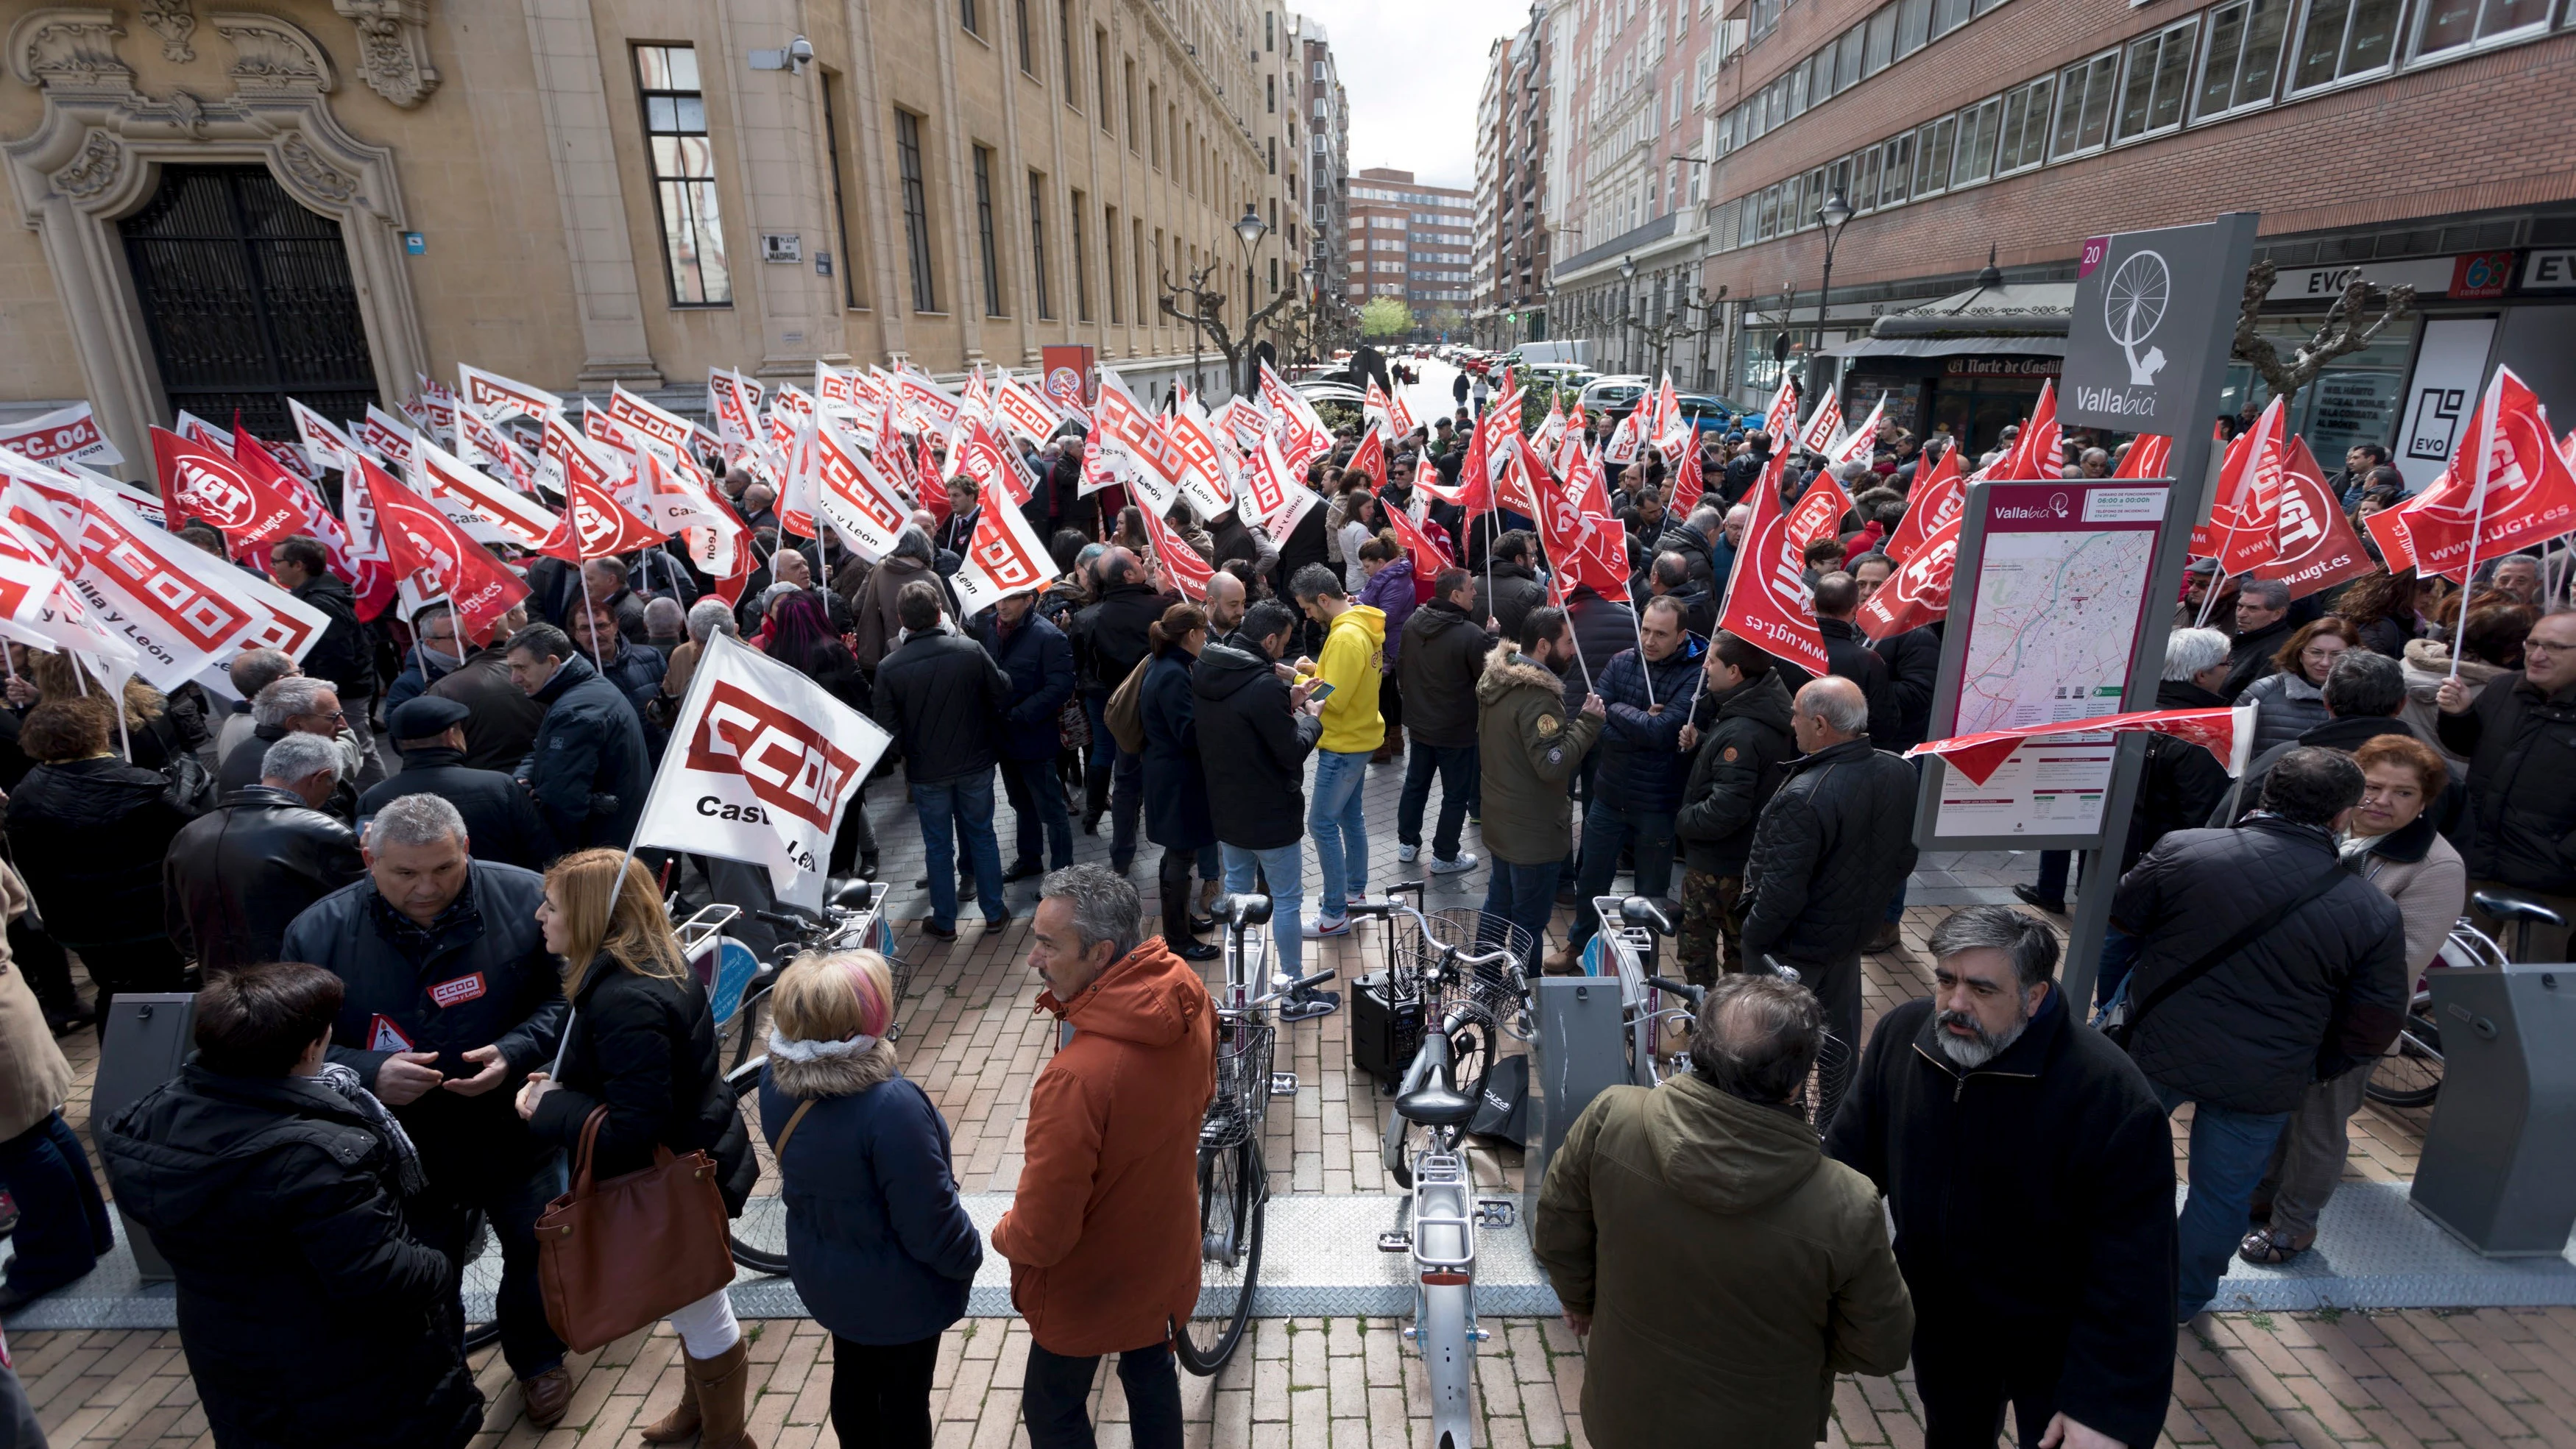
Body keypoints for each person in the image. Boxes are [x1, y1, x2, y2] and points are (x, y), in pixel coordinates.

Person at [1827, 907, 2177, 1449]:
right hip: (1946, 1328)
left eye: (1982, 989)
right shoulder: (1906, 1037)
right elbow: (1848, 1170)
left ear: (2035, 996)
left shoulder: (2109, 1096)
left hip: (2056, 1342)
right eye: (1947, 980)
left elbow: (2136, 1271)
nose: (1955, 1004)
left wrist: (2105, 1408)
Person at [99, 963, 484, 1449]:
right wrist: (439, 1261)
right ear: (309, 1049)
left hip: (232, 1356)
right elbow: (383, 1275)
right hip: (343, 1373)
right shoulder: (314, 1158)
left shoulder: (156, 1115)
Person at [277, 793, 573, 1425]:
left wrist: (516, 1050)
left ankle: (540, 1359)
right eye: (405, 873)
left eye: (442, 868)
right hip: (401, 1147)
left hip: (514, 1127)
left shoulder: (529, 901)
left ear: (465, 849)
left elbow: (568, 998)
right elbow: (292, 1042)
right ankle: (446, 1371)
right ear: (369, 858)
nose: (426, 887)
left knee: (538, 1248)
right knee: (425, 1269)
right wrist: (369, 1071)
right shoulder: (317, 930)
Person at [1533, 974, 1914, 1449]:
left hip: (1624, 1416)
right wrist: (1802, 1353)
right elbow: (1882, 1346)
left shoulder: (1614, 1117)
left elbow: (1556, 1229)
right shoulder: (1847, 1201)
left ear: (1699, 1051)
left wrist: (1581, 1300)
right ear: (1797, 1083)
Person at [2110, 747, 2405, 1322]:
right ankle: (2182, 1298)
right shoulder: (2369, 908)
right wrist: (2316, 1065)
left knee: (2114, 1165)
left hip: (2160, 1042)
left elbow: (2122, 917)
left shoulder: (2185, 850)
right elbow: (2374, 1018)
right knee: (2221, 1197)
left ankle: (2102, 1270)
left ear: (2265, 794)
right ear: (2342, 815)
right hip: (2267, 1072)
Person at [517, 850, 759, 1449]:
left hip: (674, 1178)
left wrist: (547, 1108)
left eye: (552, 905)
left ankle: (728, 1440)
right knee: (691, 1306)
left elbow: (633, 1124)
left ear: (590, 914)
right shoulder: (636, 965)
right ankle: (699, 1413)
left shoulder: (624, 996)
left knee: (701, 1310)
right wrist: (560, 1078)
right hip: (691, 1158)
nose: (539, 914)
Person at [994, 865, 1213, 1449]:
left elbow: (1043, 1234)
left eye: (1048, 943)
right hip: (1164, 1251)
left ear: (1102, 953)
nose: (1034, 958)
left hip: (1089, 1285)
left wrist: (1002, 1232)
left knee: (1053, 1408)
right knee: (1149, 1373)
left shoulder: (1077, 1080)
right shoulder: (1188, 995)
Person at [2241, 735, 2464, 1266]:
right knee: (2278, 1112)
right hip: (2287, 1008)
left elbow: (2400, 962)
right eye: (2374, 785)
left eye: (2402, 792)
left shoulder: (2435, 867)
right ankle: (2265, 1194)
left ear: (2424, 802)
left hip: (2349, 1021)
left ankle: (2294, 1227)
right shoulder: (2327, 829)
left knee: (2319, 1126)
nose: (2382, 800)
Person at [757, 949, 980, 1448]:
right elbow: (931, 1223)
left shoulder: (773, 1083)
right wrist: (970, 1254)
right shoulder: (890, 1108)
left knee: (853, 1378)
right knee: (904, 1402)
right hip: (900, 1294)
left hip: (829, 1274)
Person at [1737, 676, 1919, 1059]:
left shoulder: (1806, 795)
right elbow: (1903, 859)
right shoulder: (1899, 771)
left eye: (1796, 715)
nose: (1791, 723)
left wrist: (1752, 937)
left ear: (1820, 725)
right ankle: (1836, 1115)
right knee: (1841, 1047)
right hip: (1850, 939)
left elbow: (1781, 891)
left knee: (1777, 1052)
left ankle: (1784, 1114)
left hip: (1793, 949)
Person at [5, 698, 197, 1035]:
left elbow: (31, 866)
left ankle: (120, 1070)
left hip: (81, 927)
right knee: (164, 992)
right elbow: (195, 833)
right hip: (148, 921)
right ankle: (163, 1068)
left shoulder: (26, 793)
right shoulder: (139, 784)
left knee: (114, 991)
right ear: (97, 732)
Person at [1194, 599, 1331, 1017]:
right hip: (1271, 812)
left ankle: (1243, 991)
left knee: (1238, 900)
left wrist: (1283, 702)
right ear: (1270, 639)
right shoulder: (1263, 684)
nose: (1282, 653)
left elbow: (1245, 722)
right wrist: (1311, 717)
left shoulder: (1207, 666)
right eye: (1283, 644)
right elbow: (1289, 752)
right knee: (1287, 900)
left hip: (1227, 809)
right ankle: (1293, 992)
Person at [1554, 595, 1707, 971]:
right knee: (1591, 879)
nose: (1650, 641)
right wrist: (1635, 716)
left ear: (1681, 635)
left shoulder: (1695, 673)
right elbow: (1597, 723)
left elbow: (1663, 733)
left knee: (1650, 892)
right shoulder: (1622, 661)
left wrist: (1626, 718)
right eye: (1646, 630)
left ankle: (1641, 966)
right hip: (1609, 794)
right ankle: (1579, 946)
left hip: (1657, 801)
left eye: (1660, 634)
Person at [0, 858, 112, 1314]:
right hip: (9, 998)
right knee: (34, 1123)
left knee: (16, 1138)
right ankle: (88, 1232)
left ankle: (56, 1255)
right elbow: (18, 901)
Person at [874, 580, 1012, 940]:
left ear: (903, 618)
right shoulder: (970, 650)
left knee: (938, 845)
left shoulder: (890, 667)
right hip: (975, 763)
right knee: (982, 836)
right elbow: (1001, 691)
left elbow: (886, 730)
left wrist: (909, 752)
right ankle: (994, 912)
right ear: (939, 613)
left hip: (926, 771)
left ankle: (946, 921)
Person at [2436, 606, 2576, 958]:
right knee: (2459, 982)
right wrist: (2459, 716)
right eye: (2533, 644)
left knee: (2536, 994)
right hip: (2480, 865)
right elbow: (2468, 747)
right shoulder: (2503, 689)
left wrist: (2565, 856)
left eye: (2555, 647)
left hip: (2551, 882)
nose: (2538, 656)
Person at [165, 732, 362, 977]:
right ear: (321, 778)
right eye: (332, 788)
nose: (329, 798)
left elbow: (181, 930)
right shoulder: (323, 831)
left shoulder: (189, 835)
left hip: (221, 987)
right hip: (305, 983)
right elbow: (363, 916)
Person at [1477, 608, 1604, 972]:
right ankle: (1525, 999)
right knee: (1528, 925)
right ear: (1544, 645)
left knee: (1497, 908)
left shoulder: (1499, 679)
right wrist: (1588, 724)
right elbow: (1552, 764)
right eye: (1568, 643)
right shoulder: (1538, 697)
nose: (1573, 651)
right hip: (1532, 834)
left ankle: (1485, 982)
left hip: (1503, 823)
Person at [1673, 631, 1797, 985]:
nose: (1705, 667)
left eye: (1712, 661)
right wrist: (1705, 745)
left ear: (1735, 672)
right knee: (1739, 955)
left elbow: (1727, 807)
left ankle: (1703, 1025)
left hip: (1719, 865)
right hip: (1741, 861)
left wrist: (1684, 821)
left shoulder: (1742, 730)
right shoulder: (1751, 709)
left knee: (1700, 950)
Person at [2209, 648, 2418, 828]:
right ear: (2402, 704)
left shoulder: (2280, 760)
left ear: (2326, 700)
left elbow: (2222, 825)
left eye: (2403, 793)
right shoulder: (2429, 769)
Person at [1288, 564, 1387, 940]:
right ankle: (1354, 893)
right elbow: (1348, 678)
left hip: (1343, 744)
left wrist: (1296, 678)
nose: (1307, 615)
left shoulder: (1345, 637)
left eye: (1308, 608)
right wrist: (1316, 668)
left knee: (1321, 824)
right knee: (1350, 818)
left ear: (1324, 599)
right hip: (1360, 739)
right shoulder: (1362, 623)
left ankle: (1333, 913)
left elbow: (1335, 698)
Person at [1068, 548, 1176, 869]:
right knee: (1171, 779)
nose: (1142, 561)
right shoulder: (1163, 606)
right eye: (1136, 560)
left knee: (1126, 781)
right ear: (1128, 575)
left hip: (1122, 710)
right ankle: (1179, 854)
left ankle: (1121, 855)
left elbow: (1083, 666)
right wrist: (1167, 591)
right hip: (1166, 709)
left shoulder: (1087, 618)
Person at [505, 623, 653, 854]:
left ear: (553, 663)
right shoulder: (581, 692)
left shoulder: (573, 712)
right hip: (619, 839)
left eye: (521, 668)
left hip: (602, 851)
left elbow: (562, 802)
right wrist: (523, 779)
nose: (514, 678)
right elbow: (543, 750)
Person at [975, 587, 1078, 882]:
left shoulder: (1049, 636)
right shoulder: (992, 628)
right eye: (999, 598)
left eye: (1010, 599)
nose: (1002, 605)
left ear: (1029, 601)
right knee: (1020, 803)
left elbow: (1060, 687)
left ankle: (1062, 873)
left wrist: (1021, 715)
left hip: (1033, 738)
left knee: (1051, 809)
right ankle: (1029, 859)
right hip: (1005, 738)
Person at [1139, 603, 1222, 962]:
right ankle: (1177, 937)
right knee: (1179, 855)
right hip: (1177, 779)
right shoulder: (1173, 672)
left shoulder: (1168, 664)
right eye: (1203, 632)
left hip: (1170, 775)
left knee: (1178, 854)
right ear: (1191, 635)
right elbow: (1188, 733)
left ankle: (1180, 922)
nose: (1206, 638)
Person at [1395, 566, 1487, 874]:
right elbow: (1486, 683)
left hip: (1420, 725)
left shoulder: (1412, 623)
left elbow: (1401, 670)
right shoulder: (1472, 635)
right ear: (1455, 594)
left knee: (1415, 785)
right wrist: (1494, 640)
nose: (1475, 592)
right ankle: (1445, 856)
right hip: (1457, 731)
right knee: (1455, 795)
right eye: (1470, 588)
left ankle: (1407, 844)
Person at [266, 535, 381, 780]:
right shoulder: (313, 594)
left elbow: (337, 656)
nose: (272, 567)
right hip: (340, 689)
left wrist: (322, 697)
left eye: (276, 561)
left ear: (298, 565)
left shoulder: (320, 602)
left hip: (344, 692)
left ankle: (378, 801)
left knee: (359, 749)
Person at [425, 603, 547, 770]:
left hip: (484, 785)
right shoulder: (545, 672)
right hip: (545, 774)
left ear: (461, 640)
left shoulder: (445, 690)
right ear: (509, 634)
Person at [216, 673, 347, 801]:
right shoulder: (301, 765)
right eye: (334, 717)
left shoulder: (246, 749)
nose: (343, 725)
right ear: (296, 725)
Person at [2238, 617, 2357, 757]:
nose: (2325, 662)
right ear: (2300, 654)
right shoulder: (2262, 692)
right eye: (2316, 652)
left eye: (2336, 654)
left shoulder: (2363, 699)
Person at [1810, 573, 1900, 747]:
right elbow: (1884, 723)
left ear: (1813, 604)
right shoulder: (1869, 661)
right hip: (1846, 757)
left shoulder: (1788, 648)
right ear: (1855, 609)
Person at [215, 646, 300, 762]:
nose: (303, 677)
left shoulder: (233, 721)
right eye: (298, 672)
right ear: (282, 682)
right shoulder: (271, 729)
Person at [2220, 576, 2296, 701]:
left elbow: (2253, 699)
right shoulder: (2242, 638)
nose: (2241, 614)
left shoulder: (2280, 651)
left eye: (2252, 608)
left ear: (2277, 613)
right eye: (2240, 606)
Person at [1468, 529, 1546, 642]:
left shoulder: (1470, 585)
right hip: (1516, 659)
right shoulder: (1534, 592)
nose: (1536, 559)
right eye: (1532, 555)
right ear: (1519, 559)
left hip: (1477, 658)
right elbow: (1539, 639)